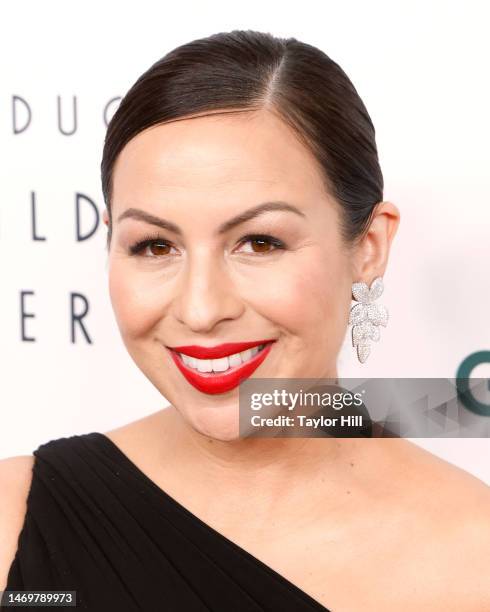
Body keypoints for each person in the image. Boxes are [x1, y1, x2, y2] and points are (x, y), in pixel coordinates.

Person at [1, 29, 489, 611]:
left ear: (368, 245)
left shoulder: (474, 558)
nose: (201, 309)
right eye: (155, 246)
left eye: (259, 242)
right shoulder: (14, 518)